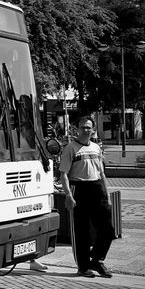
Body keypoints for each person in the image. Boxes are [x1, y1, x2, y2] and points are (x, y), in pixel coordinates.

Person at [58, 117, 116, 279]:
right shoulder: (70, 148)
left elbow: (102, 172)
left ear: (93, 129)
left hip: (97, 188)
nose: (86, 130)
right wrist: (68, 196)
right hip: (80, 189)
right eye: (83, 127)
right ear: (77, 129)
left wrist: (107, 195)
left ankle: (97, 259)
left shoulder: (96, 148)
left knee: (108, 229)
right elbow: (63, 174)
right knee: (82, 232)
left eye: (89, 128)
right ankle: (83, 267)